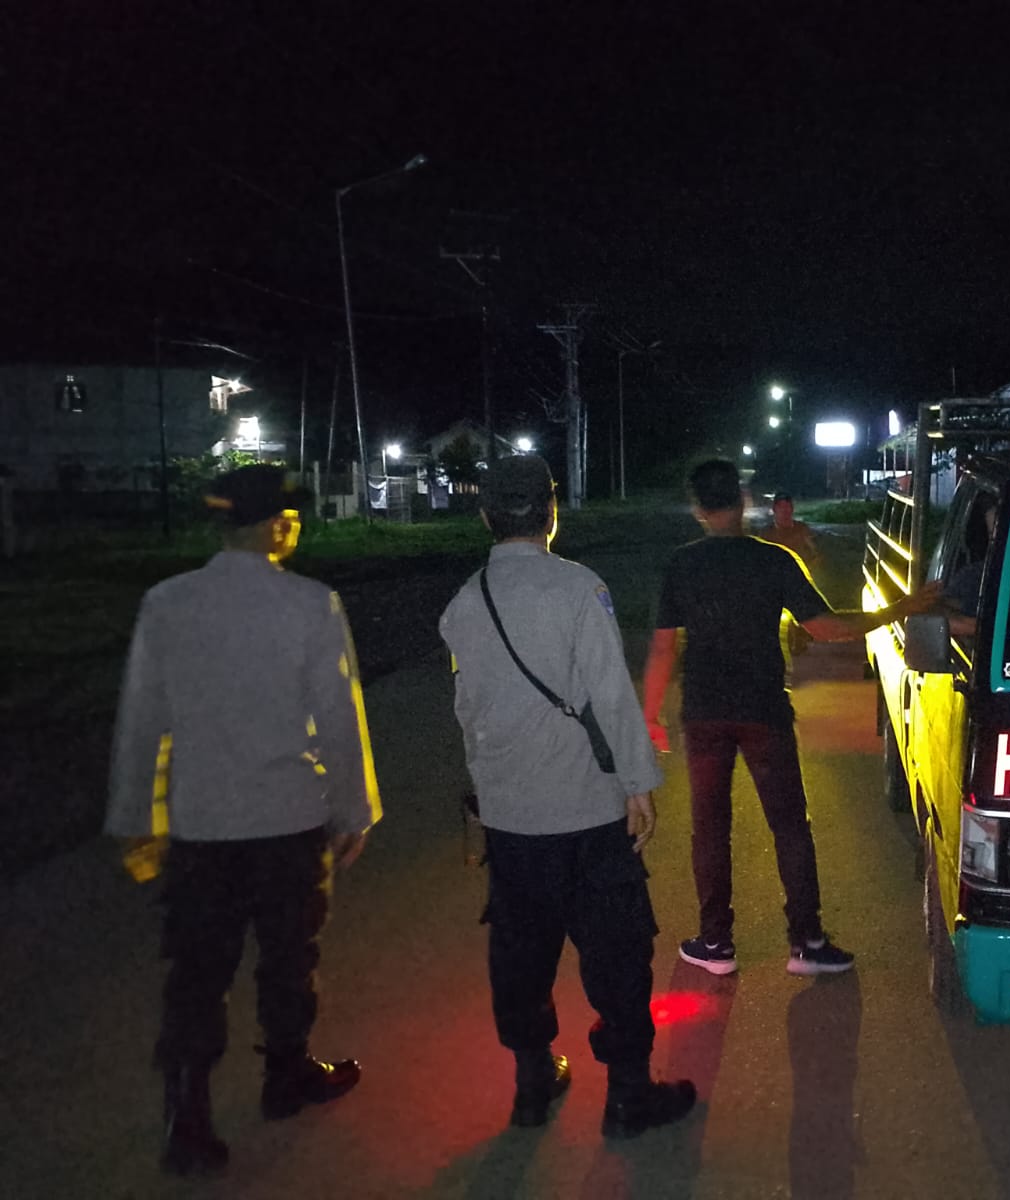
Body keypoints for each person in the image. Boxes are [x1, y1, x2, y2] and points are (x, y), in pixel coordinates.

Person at [106, 464, 381, 1177]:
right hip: (288, 819)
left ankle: (187, 1115)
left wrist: (136, 815)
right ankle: (286, 1074)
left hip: (202, 825)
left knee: (197, 970)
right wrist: (354, 810)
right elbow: (339, 717)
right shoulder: (310, 604)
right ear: (278, 526)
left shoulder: (168, 603)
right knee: (289, 956)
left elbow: (142, 718)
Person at [439, 454, 695, 1139]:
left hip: (511, 818)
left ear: (485, 516)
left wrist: (487, 791)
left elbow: (469, 711)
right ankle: (628, 1095)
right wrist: (639, 785)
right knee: (617, 952)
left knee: (521, 953)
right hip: (586, 810)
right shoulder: (579, 587)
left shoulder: (464, 603)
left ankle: (532, 1083)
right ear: (552, 512)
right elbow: (610, 694)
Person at [643, 459, 940, 978]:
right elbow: (826, 628)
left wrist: (650, 718)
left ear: (697, 509)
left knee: (709, 828)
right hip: (763, 710)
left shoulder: (680, 564)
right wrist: (899, 610)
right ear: (742, 501)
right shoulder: (775, 560)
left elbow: (663, 648)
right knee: (788, 826)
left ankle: (716, 943)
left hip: (705, 713)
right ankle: (806, 942)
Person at [759, 491, 820, 667]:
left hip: (798, 579)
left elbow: (815, 552)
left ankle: (801, 636)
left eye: (788, 508)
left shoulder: (801, 530)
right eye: (781, 508)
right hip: (774, 581)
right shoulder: (767, 534)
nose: (785, 512)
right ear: (774, 510)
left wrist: (808, 567)